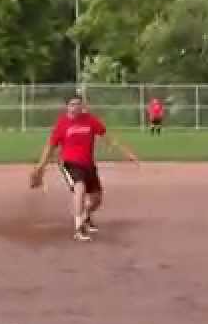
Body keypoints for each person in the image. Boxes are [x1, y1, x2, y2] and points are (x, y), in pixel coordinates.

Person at [30, 94, 140, 242]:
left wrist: (126, 152)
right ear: (67, 107)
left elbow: (108, 138)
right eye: (73, 104)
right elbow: (50, 147)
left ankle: (85, 216)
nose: (76, 107)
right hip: (69, 163)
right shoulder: (62, 124)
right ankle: (78, 228)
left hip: (88, 164)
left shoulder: (90, 120)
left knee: (97, 199)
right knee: (79, 188)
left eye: (78, 104)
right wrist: (40, 167)